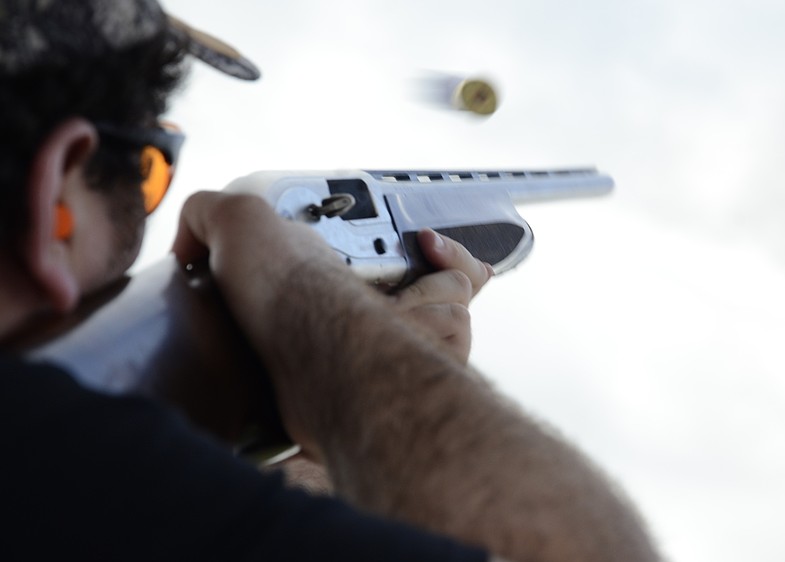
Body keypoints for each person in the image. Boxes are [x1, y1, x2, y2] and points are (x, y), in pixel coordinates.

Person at [0, 2, 659, 561]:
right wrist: (320, 317)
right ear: (55, 200)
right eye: (148, 169)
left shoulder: (71, 495)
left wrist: (317, 455)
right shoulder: (48, 447)